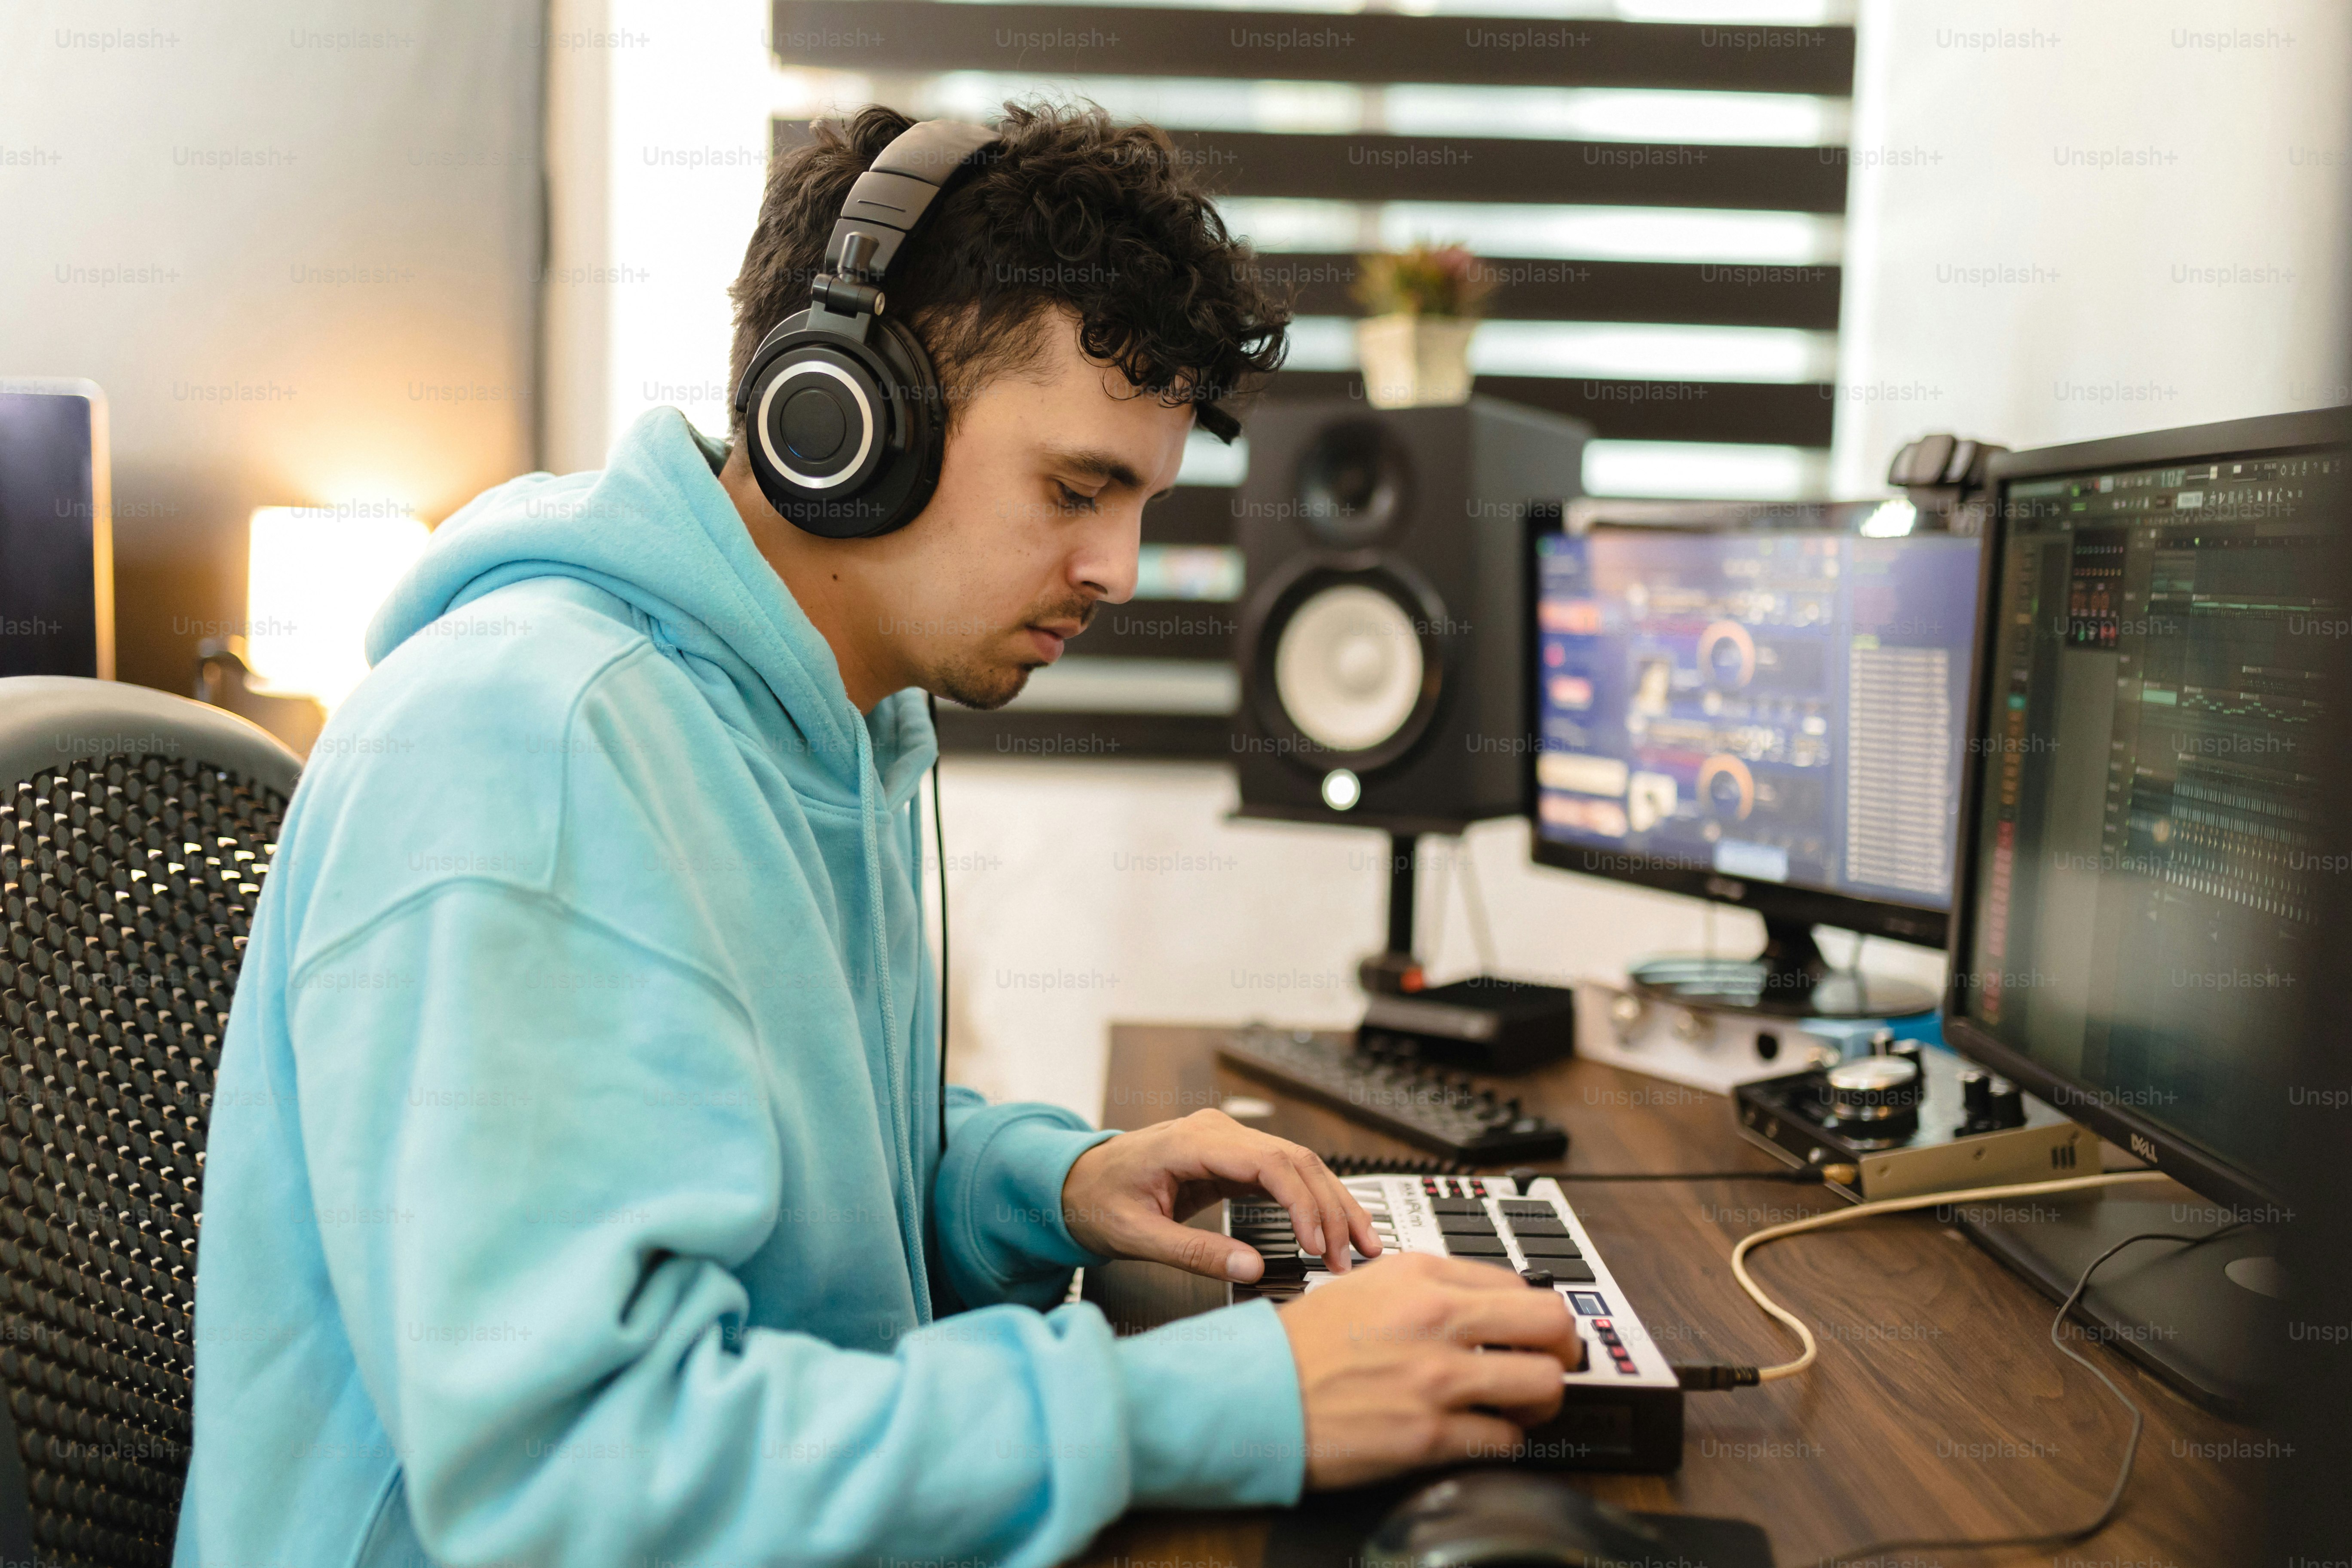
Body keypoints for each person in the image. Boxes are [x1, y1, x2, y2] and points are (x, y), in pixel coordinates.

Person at [178, 102, 1580, 1568]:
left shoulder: (832, 723)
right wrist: (1216, 1397)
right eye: (1077, 487)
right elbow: (581, 1484)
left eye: (1144, 504)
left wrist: (1042, 1183)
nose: (1117, 569)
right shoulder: (532, 746)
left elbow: (765, 1177)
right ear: (841, 420)